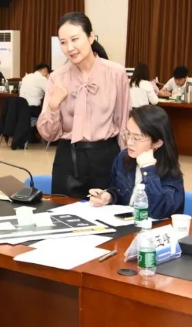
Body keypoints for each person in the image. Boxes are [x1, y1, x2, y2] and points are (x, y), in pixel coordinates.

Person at [38, 12, 131, 198]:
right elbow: (48, 134)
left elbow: (123, 124)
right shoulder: (57, 78)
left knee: (107, 212)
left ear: (90, 37)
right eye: (63, 42)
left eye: (75, 39)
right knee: (63, 211)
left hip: (106, 156)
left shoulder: (116, 73)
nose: (69, 48)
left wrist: (127, 164)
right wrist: (53, 105)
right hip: (68, 158)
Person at [87, 106, 186, 219]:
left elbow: (157, 212)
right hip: (126, 223)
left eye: (137, 138)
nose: (129, 142)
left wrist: (148, 170)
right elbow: (120, 192)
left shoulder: (171, 175)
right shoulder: (123, 157)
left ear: (157, 143)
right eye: (128, 134)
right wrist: (110, 196)